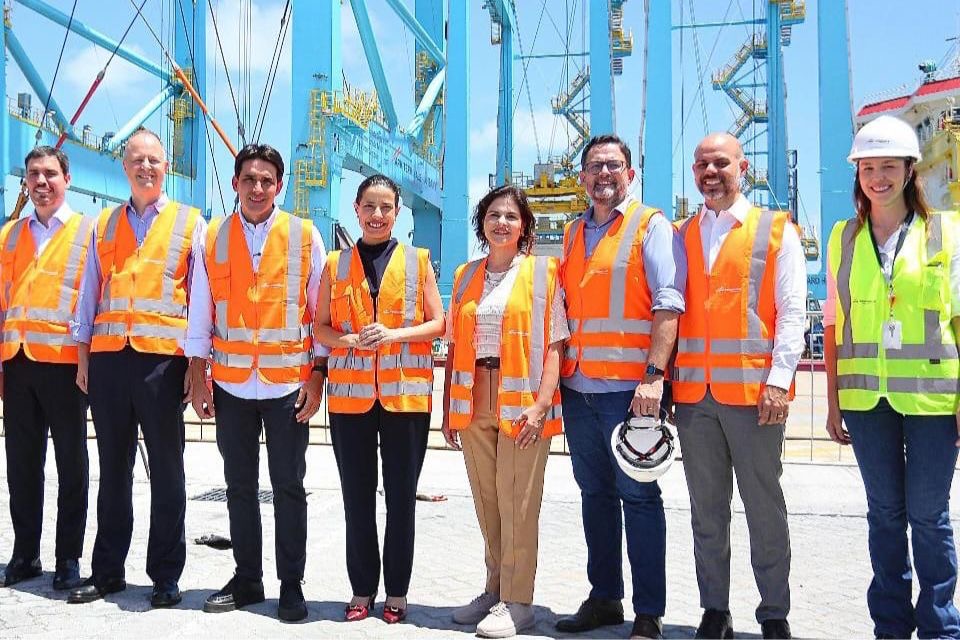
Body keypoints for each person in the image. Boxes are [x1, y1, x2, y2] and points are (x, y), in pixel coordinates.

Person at [824, 115, 960, 639]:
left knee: (928, 515)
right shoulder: (843, 238)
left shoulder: (944, 231)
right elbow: (834, 324)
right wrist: (832, 402)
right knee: (883, 515)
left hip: (932, 400)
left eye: (888, 167)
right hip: (865, 400)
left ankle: (941, 626)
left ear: (909, 171)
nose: (877, 178)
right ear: (858, 175)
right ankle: (891, 626)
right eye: (868, 168)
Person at [673, 132, 805, 640]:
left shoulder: (775, 231)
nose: (711, 172)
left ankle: (774, 612)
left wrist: (779, 381)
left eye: (721, 163)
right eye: (702, 164)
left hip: (754, 398)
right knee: (706, 513)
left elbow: (792, 311)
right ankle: (715, 609)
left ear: (742, 168)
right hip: (694, 397)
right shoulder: (683, 233)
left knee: (764, 507)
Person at [186, 144, 326, 622]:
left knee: (289, 486)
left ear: (279, 186)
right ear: (235, 184)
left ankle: (291, 585)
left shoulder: (305, 236)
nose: (258, 188)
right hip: (232, 385)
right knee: (239, 485)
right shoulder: (212, 236)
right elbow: (201, 308)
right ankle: (248, 578)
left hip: (288, 386)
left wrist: (318, 375)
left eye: (267, 180)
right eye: (249, 179)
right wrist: (197, 374)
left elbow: (319, 314)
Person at [68, 128, 205, 608]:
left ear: (166, 167)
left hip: (162, 363)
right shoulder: (103, 225)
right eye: (136, 160)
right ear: (124, 166)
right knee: (113, 471)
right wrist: (83, 357)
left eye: (153, 160)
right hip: (109, 360)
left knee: (167, 471)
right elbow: (88, 292)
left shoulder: (190, 223)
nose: (145, 167)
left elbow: (201, 301)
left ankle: (165, 576)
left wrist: (196, 366)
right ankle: (107, 572)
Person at [555, 134, 686, 640]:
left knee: (639, 496)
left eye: (613, 166)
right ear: (582, 177)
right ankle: (605, 598)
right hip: (579, 389)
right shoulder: (572, 233)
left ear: (630, 174)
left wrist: (654, 377)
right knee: (595, 496)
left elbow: (668, 303)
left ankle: (649, 612)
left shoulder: (650, 226)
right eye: (594, 167)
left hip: (630, 392)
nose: (603, 175)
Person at [314, 174, 444, 624]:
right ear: (356, 209)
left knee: (401, 499)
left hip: (404, 400)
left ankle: (398, 592)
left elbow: (438, 323)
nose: (377, 215)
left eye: (386, 207)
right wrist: (349, 340)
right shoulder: (335, 264)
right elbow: (321, 328)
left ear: (398, 212)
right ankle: (361, 588)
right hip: (350, 402)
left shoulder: (417, 261)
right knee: (357, 498)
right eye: (369, 206)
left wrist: (393, 335)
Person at [442, 185, 567, 638]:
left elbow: (555, 343)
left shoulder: (543, 272)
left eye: (511, 216)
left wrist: (541, 404)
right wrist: (448, 408)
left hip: (523, 402)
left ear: (524, 226)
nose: (501, 223)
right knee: (488, 500)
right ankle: (493, 589)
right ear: (482, 223)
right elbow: (454, 344)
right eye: (494, 215)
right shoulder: (466, 275)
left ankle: (518, 601)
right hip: (474, 397)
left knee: (518, 504)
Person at [0, 147, 94, 591]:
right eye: (33, 174)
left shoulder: (88, 232)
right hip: (17, 362)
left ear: (67, 179)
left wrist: (89, 359)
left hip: (65, 364)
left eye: (50, 173)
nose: (41, 181)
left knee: (71, 464)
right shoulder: (10, 236)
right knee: (21, 464)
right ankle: (25, 554)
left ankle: (68, 558)